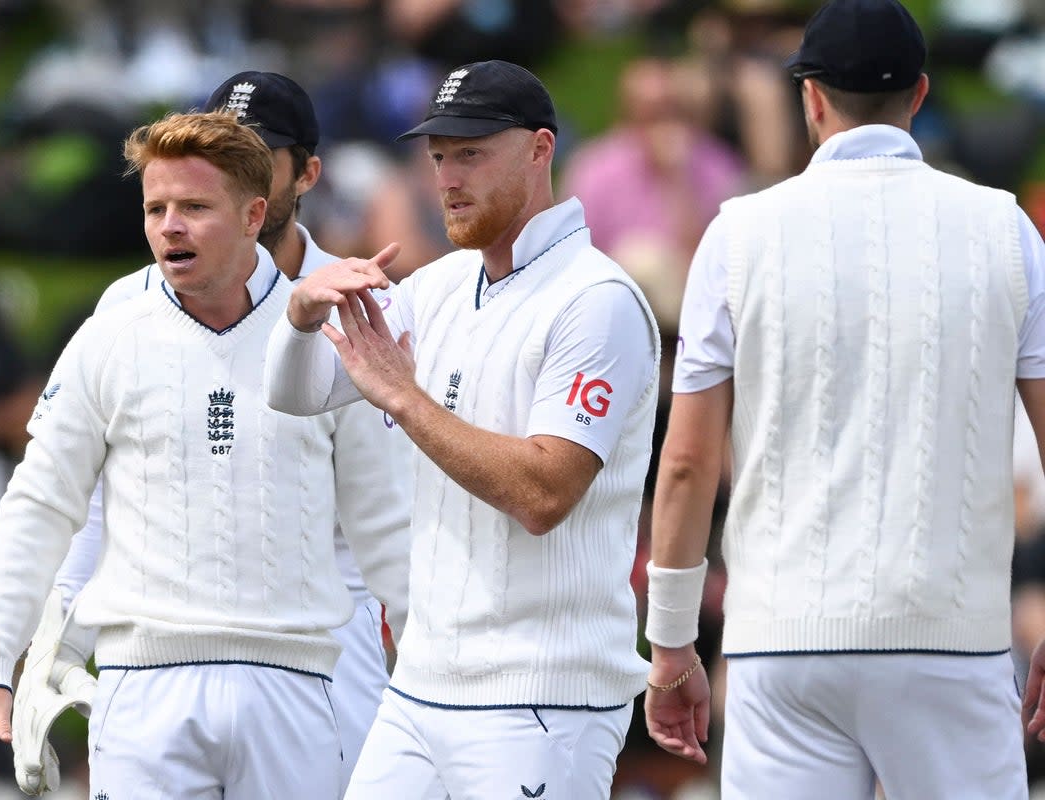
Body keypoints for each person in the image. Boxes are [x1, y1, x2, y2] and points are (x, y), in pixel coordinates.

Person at [643, 1, 1045, 797]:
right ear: (920, 96)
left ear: (811, 96)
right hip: (951, 641)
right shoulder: (1006, 230)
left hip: (782, 643)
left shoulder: (738, 232)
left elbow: (687, 465)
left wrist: (669, 643)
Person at [0, 111, 405, 798]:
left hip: (296, 690)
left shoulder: (330, 339)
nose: (170, 226)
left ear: (256, 215)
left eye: (194, 207)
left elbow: (382, 524)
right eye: (156, 207)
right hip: (144, 692)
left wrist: (430, 666)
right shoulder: (109, 337)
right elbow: (39, 503)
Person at [266, 59, 661, 799]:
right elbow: (296, 394)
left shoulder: (596, 299)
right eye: (439, 155)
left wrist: (408, 400)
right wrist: (299, 315)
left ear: (541, 150)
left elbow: (544, 492)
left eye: (472, 153)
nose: (447, 177)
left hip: (543, 698)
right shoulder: (443, 283)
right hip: (421, 684)